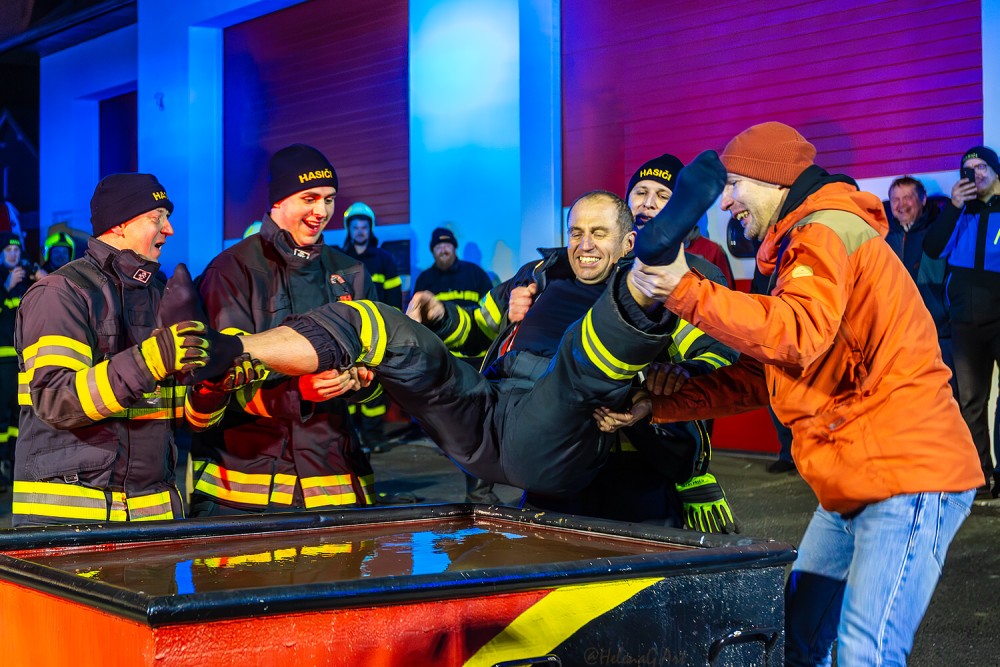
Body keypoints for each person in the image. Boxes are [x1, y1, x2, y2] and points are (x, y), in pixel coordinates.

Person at [156, 152, 730, 508]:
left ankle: (654, 264)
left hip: (558, 431)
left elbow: (715, 364)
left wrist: (657, 394)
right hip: (488, 414)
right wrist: (437, 318)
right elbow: (475, 329)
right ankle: (228, 350)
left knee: (585, 357)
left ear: (628, 242)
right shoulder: (535, 277)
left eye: (599, 234)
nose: (583, 244)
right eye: (576, 231)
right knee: (378, 323)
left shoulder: (671, 293)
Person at [618, 122, 980, 665]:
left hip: (907, 472)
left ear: (773, 179)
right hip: (854, 476)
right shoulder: (792, 247)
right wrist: (661, 404)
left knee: (866, 652)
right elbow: (762, 374)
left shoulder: (824, 229)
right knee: (799, 641)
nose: (726, 202)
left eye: (735, 185)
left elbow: (796, 332)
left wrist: (686, 291)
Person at [12, 173, 252, 526]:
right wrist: (150, 361)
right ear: (119, 224)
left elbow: (187, 419)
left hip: (153, 518)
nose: (169, 229)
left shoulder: (159, 295)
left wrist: (213, 387)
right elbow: (56, 399)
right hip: (68, 523)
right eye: (157, 218)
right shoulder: (61, 293)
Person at [189, 143, 380, 517]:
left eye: (329, 199)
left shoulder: (352, 273)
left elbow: (379, 370)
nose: (322, 211)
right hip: (243, 490)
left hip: (335, 479)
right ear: (278, 201)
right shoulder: (231, 271)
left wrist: (361, 381)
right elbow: (220, 377)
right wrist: (299, 392)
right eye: (309, 198)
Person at [923, 146, 1000, 495]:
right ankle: (979, 477)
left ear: (995, 170)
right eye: (968, 169)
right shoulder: (958, 211)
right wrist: (954, 206)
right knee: (970, 402)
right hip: (966, 321)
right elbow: (933, 249)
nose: (976, 174)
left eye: (982, 167)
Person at [411, 226, 499, 502]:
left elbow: (490, 316)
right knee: (454, 422)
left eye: (447, 245)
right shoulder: (425, 279)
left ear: (454, 247)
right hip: (443, 361)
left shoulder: (476, 274)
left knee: (476, 423)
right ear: (432, 250)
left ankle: (479, 490)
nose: (443, 249)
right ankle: (475, 484)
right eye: (438, 246)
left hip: (475, 360)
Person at [885, 176, 955, 394]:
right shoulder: (883, 234)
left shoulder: (938, 229)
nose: (901, 205)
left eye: (908, 197)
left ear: (923, 200)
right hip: (898, 335)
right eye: (895, 199)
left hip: (938, 331)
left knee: (946, 395)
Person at [341, 201, 401, 450]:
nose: (360, 231)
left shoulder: (384, 260)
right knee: (347, 384)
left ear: (370, 228)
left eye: (364, 227)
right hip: (347, 333)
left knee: (373, 384)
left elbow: (394, 298)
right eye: (355, 227)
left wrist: (394, 329)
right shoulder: (340, 259)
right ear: (349, 229)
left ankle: (374, 437)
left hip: (378, 332)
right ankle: (350, 437)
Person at [627, 153, 735, 287]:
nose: (648, 203)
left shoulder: (709, 265)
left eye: (663, 196)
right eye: (641, 193)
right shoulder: (610, 254)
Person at [0, 232, 40, 490]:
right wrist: (5, 286)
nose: (13, 254)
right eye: (8, 250)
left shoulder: (26, 279)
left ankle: (16, 465)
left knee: (20, 415)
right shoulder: (2, 279)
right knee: (2, 417)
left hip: (23, 360)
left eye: (16, 250)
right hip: (2, 361)